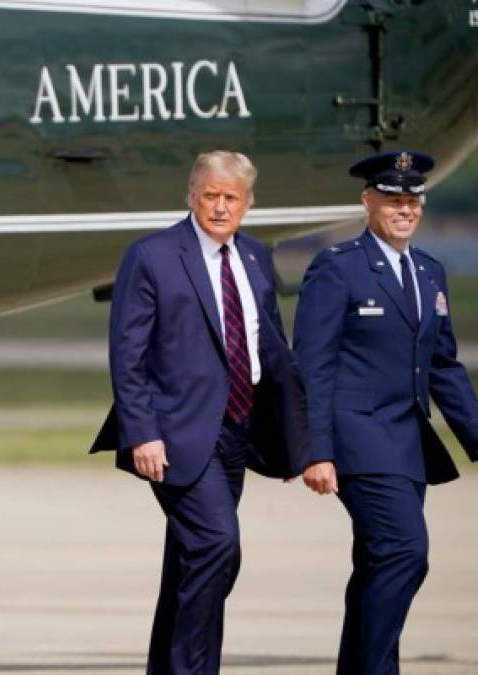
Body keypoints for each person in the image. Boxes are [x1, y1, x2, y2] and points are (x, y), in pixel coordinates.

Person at [91, 150, 308, 675]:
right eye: (210, 195)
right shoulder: (154, 255)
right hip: (175, 435)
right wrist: (142, 432)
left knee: (193, 562)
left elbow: (271, 351)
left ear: (248, 204)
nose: (219, 206)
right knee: (217, 545)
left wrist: (294, 440)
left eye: (231, 198)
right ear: (192, 196)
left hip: (239, 430)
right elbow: (128, 354)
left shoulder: (255, 256)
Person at [294, 150, 478, 675]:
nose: (404, 209)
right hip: (358, 441)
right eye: (393, 200)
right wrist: (317, 449)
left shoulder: (428, 272)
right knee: (405, 552)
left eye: (412, 200)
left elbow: (443, 366)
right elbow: (313, 366)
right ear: (368, 201)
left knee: (378, 563)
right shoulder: (338, 267)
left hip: (407, 445)